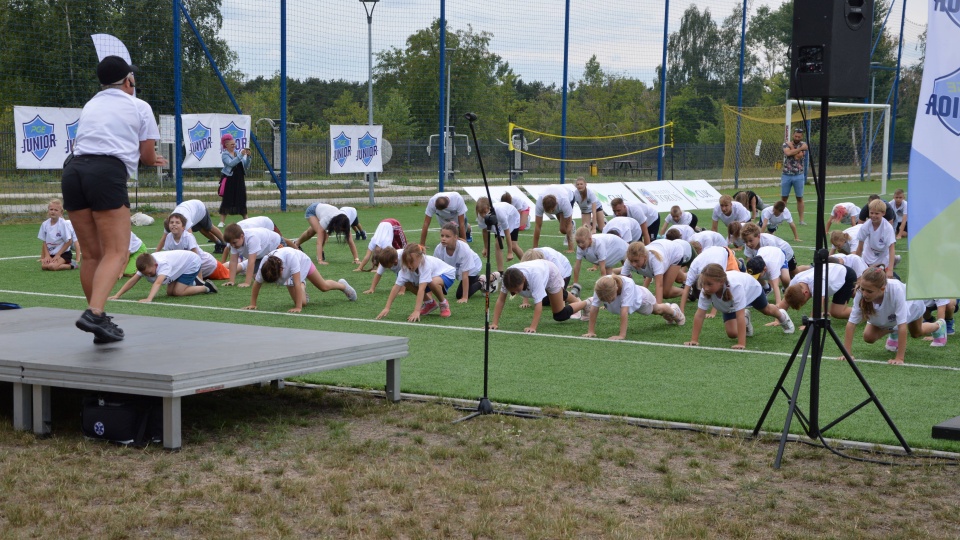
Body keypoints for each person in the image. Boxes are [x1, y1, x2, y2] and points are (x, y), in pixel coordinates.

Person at [62, 55, 167, 343]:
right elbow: (146, 156)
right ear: (127, 81)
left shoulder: (91, 103)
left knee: (92, 253)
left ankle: (98, 317)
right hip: (105, 172)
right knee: (118, 252)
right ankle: (94, 313)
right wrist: (153, 160)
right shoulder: (139, 106)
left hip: (72, 170)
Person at [842, 268, 946, 365]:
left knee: (916, 333)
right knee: (869, 337)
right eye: (863, 289)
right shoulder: (861, 291)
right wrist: (847, 354)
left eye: (869, 291)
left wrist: (899, 358)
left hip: (913, 305)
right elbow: (851, 323)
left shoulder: (896, 290)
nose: (864, 294)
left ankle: (938, 325)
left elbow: (902, 326)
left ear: (882, 289)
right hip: (889, 314)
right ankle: (893, 330)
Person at [684, 263, 795, 350]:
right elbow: (699, 314)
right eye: (703, 283)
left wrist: (741, 343)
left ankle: (782, 316)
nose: (705, 287)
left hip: (752, 289)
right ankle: (747, 319)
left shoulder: (735, 286)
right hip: (730, 303)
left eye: (709, 284)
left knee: (766, 310)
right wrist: (694, 340)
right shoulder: (706, 290)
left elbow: (739, 315)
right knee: (732, 334)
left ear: (721, 282)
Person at [243, 247, 357, 313]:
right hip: (291, 273)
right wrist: (253, 304)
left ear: (281, 269)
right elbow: (257, 284)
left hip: (303, 262)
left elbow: (296, 283)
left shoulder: (290, 257)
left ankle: (342, 285)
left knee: (323, 287)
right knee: (303, 302)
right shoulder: (265, 264)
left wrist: (298, 307)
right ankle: (303, 287)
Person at [580, 274, 685, 340]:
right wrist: (591, 331)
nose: (607, 302)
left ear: (616, 288)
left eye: (610, 299)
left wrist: (621, 335)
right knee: (659, 312)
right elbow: (594, 308)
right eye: (605, 300)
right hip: (633, 301)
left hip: (642, 299)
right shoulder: (601, 285)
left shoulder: (627, 285)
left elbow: (624, 311)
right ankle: (669, 311)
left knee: (657, 310)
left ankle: (675, 312)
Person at [490, 259, 583, 333]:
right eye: (512, 291)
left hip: (551, 273)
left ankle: (586, 303)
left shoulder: (535, 277)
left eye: (517, 290)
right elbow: (501, 300)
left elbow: (538, 304)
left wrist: (532, 327)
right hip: (540, 268)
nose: (515, 293)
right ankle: (574, 297)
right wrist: (494, 323)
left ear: (523, 279)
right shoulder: (508, 278)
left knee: (559, 315)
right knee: (556, 297)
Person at [376, 244, 455, 321]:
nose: (409, 265)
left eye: (411, 262)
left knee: (432, 282)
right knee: (406, 282)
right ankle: (429, 304)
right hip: (432, 278)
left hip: (447, 274)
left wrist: (417, 310)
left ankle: (443, 304)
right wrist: (387, 307)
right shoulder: (405, 267)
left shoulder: (425, 265)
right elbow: (396, 287)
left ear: (420, 257)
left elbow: (421, 289)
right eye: (407, 262)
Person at [108, 251, 217, 303]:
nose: (148, 276)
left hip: (191, 263)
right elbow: (133, 280)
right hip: (178, 267)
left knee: (178, 292)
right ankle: (193, 283)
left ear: (155, 265)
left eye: (150, 273)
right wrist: (117, 295)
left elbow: (158, 283)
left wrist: (149, 299)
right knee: (170, 293)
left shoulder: (163, 265)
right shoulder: (146, 265)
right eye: (145, 274)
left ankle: (206, 287)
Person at [160, 213, 230, 282]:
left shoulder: (188, 237)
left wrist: (200, 280)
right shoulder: (169, 237)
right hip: (195, 270)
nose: (174, 224)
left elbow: (196, 259)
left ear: (183, 227)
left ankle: (239, 263)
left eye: (177, 222)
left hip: (209, 266)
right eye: (171, 222)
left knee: (230, 272)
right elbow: (168, 258)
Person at [779, 262, 860, 320]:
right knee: (854, 294)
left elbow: (817, 306)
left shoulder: (818, 283)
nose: (805, 302)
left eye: (804, 302)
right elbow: (785, 302)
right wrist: (779, 319)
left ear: (805, 293)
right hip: (833, 273)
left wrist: (810, 323)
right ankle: (862, 296)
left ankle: (867, 311)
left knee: (837, 312)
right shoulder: (795, 281)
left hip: (846, 275)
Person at [619, 240, 688, 304]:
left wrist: (659, 306)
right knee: (679, 279)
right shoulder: (629, 261)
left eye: (636, 261)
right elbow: (621, 282)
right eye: (631, 261)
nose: (633, 264)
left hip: (674, 252)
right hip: (663, 249)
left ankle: (688, 291)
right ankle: (690, 281)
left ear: (645, 257)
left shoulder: (655, 259)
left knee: (665, 292)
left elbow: (659, 284)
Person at [678, 245, 741, 315]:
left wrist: (713, 313)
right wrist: (681, 311)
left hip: (726, 252)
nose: (707, 289)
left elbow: (720, 286)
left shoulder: (716, 268)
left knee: (735, 282)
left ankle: (741, 264)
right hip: (711, 252)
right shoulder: (694, 268)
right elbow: (686, 290)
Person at [433, 223, 484, 304]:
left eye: (447, 236)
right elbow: (436, 270)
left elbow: (465, 275)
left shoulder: (464, 249)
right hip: (457, 267)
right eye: (442, 236)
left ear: (456, 237)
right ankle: (477, 278)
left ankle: (482, 282)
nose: (443, 239)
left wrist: (464, 297)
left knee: (459, 295)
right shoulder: (439, 249)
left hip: (473, 267)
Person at [157, 199, 226, 253]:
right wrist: (155, 255)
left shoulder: (185, 221)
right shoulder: (171, 222)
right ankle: (218, 243)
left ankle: (225, 243)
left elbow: (190, 239)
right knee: (201, 230)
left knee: (209, 227)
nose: (173, 226)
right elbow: (163, 239)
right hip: (192, 212)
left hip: (199, 208)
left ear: (183, 226)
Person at [475, 196, 524, 272]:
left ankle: (527, 263)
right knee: (498, 243)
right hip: (497, 221)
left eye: (485, 212)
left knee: (513, 246)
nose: (483, 215)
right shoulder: (480, 216)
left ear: (489, 208)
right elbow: (485, 231)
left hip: (512, 218)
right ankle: (500, 273)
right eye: (481, 213)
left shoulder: (500, 213)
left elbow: (507, 232)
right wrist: (486, 248)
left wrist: (510, 252)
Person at [855, 199, 898, 279]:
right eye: (871, 213)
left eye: (877, 213)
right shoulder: (865, 226)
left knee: (883, 280)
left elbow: (891, 248)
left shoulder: (887, 228)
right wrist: (856, 262)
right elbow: (860, 247)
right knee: (865, 279)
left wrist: (890, 270)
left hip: (883, 259)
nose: (873, 215)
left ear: (883, 213)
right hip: (867, 258)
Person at [218, 133, 250, 227]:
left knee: (241, 198)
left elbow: (246, 165)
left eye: (234, 144)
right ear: (226, 145)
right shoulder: (225, 155)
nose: (234, 146)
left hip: (239, 180)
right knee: (227, 199)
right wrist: (240, 155)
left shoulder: (237, 153)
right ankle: (222, 221)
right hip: (230, 180)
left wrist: (248, 157)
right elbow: (231, 163)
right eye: (231, 144)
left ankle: (246, 219)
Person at [531, 186, 576, 252]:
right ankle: (569, 229)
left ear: (556, 205)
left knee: (564, 229)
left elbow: (568, 224)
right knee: (563, 229)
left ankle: (573, 225)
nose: (551, 213)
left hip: (569, 196)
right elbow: (538, 225)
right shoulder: (539, 203)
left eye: (552, 211)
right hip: (557, 197)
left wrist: (570, 249)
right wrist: (535, 248)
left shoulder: (564, 201)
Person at [38, 199, 75, 271]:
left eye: (56, 210)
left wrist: (58, 255)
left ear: (61, 212)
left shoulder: (63, 224)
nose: (53, 211)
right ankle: (56, 261)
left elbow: (69, 242)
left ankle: (72, 265)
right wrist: (47, 256)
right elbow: (44, 242)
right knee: (44, 267)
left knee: (52, 267)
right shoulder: (44, 224)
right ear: (48, 210)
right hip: (51, 253)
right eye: (51, 209)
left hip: (63, 254)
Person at [781, 127, 808, 225]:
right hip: (786, 174)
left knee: (799, 198)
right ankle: (781, 218)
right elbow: (787, 153)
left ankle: (801, 220)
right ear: (793, 135)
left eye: (799, 136)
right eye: (795, 136)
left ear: (801, 137)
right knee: (784, 198)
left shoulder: (803, 145)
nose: (797, 138)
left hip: (798, 175)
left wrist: (794, 148)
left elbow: (797, 157)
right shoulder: (785, 144)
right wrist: (796, 150)